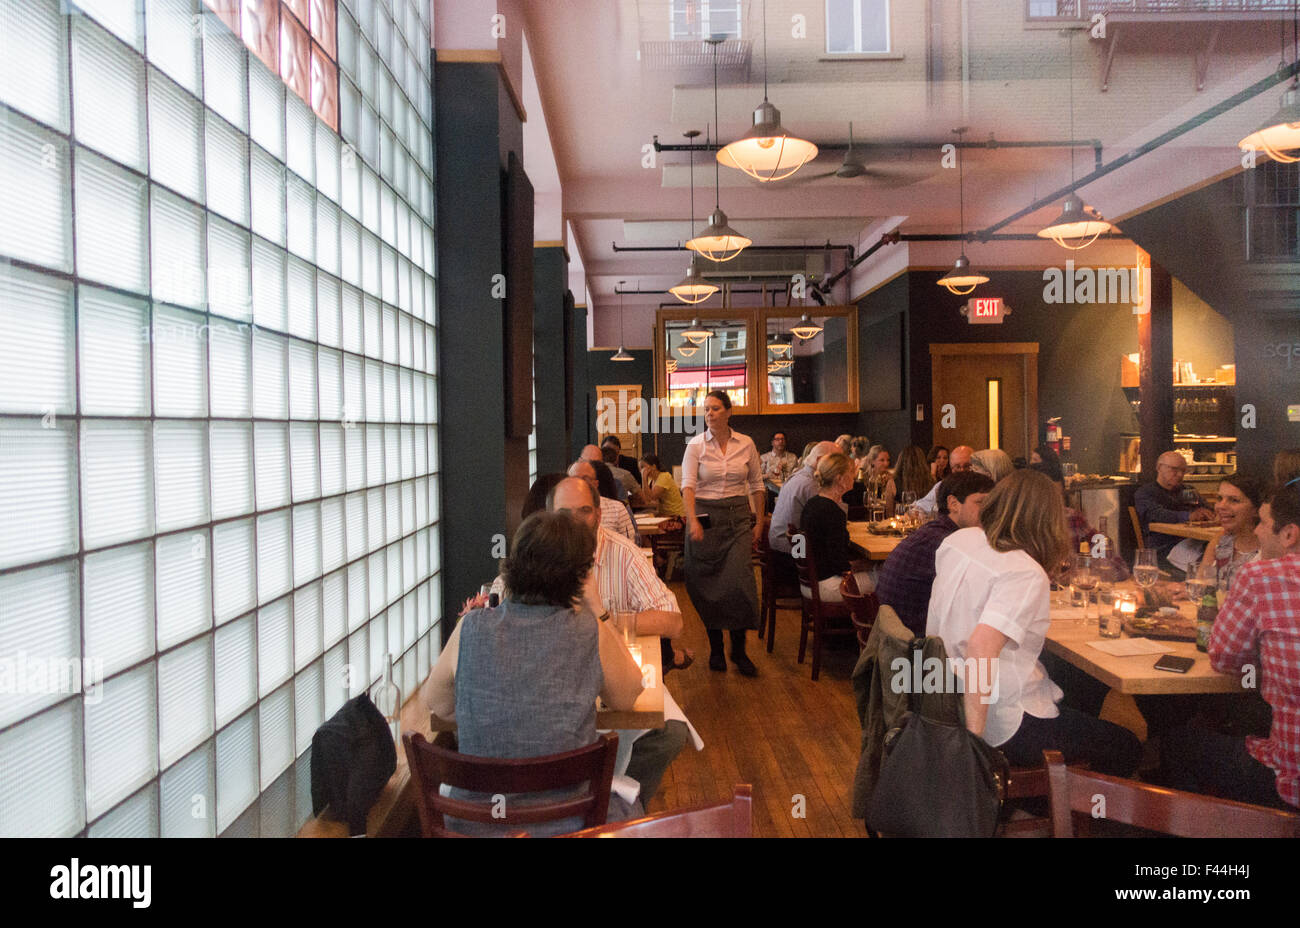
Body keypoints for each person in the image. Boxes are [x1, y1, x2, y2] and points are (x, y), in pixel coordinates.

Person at [418, 510, 644, 835]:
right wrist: (598, 609)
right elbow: (628, 696)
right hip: (569, 822)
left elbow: (436, 702)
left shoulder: (471, 627)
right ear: (579, 576)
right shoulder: (587, 629)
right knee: (632, 804)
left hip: (475, 822)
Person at [926, 469, 1142, 777]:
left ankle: (1051, 790)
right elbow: (981, 647)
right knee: (1127, 745)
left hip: (947, 699)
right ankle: (1053, 804)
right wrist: (972, 750)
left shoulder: (959, 541)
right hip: (1003, 719)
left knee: (1080, 680)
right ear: (1049, 520)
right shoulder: (1023, 571)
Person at [547, 477, 697, 803]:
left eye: (583, 512)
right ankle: (590, 799)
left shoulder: (623, 554)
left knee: (670, 734)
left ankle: (616, 804)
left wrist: (608, 618)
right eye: (564, 513)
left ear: (598, 516)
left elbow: (674, 621)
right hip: (555, 683)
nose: (573, 522)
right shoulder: (538, 555)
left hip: (610, 673)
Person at [1163, 483, 1300, 810]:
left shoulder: (1263, 575)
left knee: (1176, 744)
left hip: (1290, 777)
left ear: (1289, 534)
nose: (1258, 531)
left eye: (1264, 523)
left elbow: (1223, 656)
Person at [681, 390, 766, 676]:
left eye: (715, 408)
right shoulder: (695, 446)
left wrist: (760, 521)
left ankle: (739, 651)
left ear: (729, 412)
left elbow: (757, 484)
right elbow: (688, 486)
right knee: (708, 583)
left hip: (738, 517)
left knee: (740, 583)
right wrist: (692, 519)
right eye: (706, 409)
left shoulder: (747, 444)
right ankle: (716, 648)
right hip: (705, 517)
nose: (709, 414)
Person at [874, 471, 994, 635]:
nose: (990, 511)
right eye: (981, 502)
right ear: (953, 503)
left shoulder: (934, 532)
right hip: (917, 645)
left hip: (894, 636)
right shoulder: (951, 543)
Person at [797, 453, 875, 602]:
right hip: (827, 586)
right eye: (851, 472)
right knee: (884, 578)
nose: (854, 476)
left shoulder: (811, 504)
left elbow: (799, 549)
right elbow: (839, 563)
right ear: (840, 479)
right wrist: (858, 566)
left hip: (808, 582)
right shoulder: (833, 512)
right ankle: (866, 624)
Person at [1134, 451, 1215, 572]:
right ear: (1159, 467)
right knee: (1210, 562)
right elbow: (1158, 514)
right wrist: (1189, 516)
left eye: (1183, 471)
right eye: (1174, 469)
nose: (1179, 474)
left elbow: (1206, 509)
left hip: (1194, 543)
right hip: (1164, 547)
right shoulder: (1146, 492)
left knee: (1220, 552)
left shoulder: (1186, 490)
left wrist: (1206, 513)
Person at [1193, 474, 1263, 592]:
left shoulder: (1269, 549)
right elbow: (1199, 586)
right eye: (1220, 499)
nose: (1221, 506)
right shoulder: (1220, 540)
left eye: (1234, 500)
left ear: (1256, 510)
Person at [769, 440, 839, 557]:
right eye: (836, 462)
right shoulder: (811, 484)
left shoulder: (799, 476)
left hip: (780, 545)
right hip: (792, 551)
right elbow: (828, 524)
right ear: (819, 461)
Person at [569, 459, 636, 542]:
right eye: (575, 479)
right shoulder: (560, 510)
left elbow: (631, 544)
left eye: (585, 479)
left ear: (596, 484)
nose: (580, 484)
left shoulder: (617, 508)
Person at [915, 445, 974, 514]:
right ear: (952, 468)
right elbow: (919, 506)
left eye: (967, 466)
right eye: (957, 467)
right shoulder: (942, 485)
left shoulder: (983, 486)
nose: (962, 470)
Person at [885, 444, 934, 511]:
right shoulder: (931, 481)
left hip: (900, 520)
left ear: (901, 461)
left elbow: (889, 512)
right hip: (925, 519)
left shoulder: (893, 483)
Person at [638, 453, 684, 517]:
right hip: (664, 514)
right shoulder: (650, 479)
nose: (641, 471)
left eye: (643, 467)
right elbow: (647, 499)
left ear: (654, 466)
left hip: (676, 515)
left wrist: (643, 478)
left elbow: (652, 497)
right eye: (640, 469)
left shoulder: (664, 476)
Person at [760, 431, 798, 498]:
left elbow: (797, 475)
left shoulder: (793, 457)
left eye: (782, 439)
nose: (780, 441)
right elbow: (757, 477)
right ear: (772, 442)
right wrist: (768, 475)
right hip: (769, 493)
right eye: (777, 439)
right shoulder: (764, 458)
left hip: (789, 491)